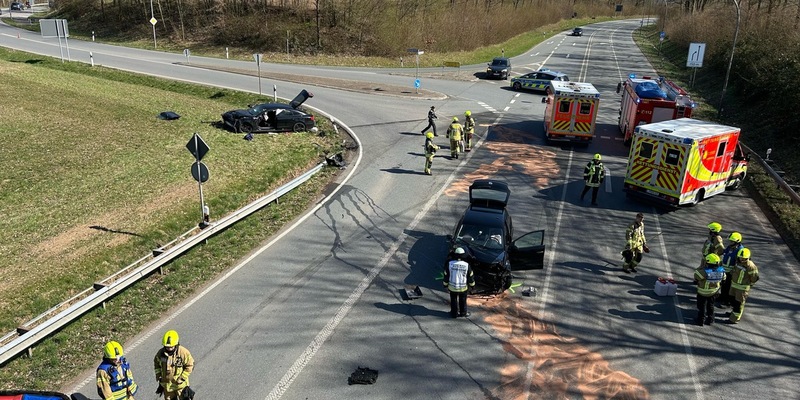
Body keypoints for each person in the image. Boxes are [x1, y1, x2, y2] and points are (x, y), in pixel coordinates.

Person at [154, 330, 195, 400]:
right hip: (167, 386)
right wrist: (159, 376)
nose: (169, 349)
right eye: (167, 347)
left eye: (171, 347)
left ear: (176, 344)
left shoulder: (183, 352)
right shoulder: (160, 354)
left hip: (180, 386)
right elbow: (157, 364)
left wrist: (182, 378)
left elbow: (190, 365)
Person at [728, 248, 759, 324]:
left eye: (744, 258)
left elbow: (754, 278)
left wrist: (749, 284)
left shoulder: (751, 266)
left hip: (742, 288)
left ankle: (734, 319)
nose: (742, 259)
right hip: (734, 285)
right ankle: (733, 313)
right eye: (740, 258)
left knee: (738, 304)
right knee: (732, 300)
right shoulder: (738, 262)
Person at [693, 253, 725, 326]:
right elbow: (724, 279)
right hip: (714, 292)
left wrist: (701, 266)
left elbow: (696, 276)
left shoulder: (704, 272)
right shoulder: (722, 271)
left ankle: (700, 320)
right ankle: (710, 319)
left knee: (701, 307)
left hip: (702, 292)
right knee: (711, 306)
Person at [443, 247, 475, 318]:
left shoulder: (450, 264)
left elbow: (446, 275)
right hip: (463, 288)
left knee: (453, 300)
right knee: (462, 300)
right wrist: (472, 285)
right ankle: (463, 313)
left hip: (452, 287)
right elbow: (470, 276)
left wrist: (445, 284)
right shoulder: (466, 265)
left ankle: (454, 314)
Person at [718, 231, 743, 308]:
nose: (730, 242)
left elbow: (739, 262)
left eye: (732, 241)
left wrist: (733, 271)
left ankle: (727, 302)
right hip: (725, 270)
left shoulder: (740, 250)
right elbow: (725, 253)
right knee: (723, 285)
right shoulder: (730, 247)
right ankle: (722, 297)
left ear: (737, 242)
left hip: (731, 272)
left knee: (728, 287)